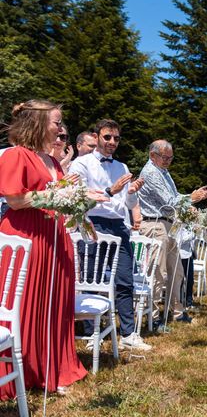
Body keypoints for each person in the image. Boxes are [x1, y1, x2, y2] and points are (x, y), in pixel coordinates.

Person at [0, 100, 88, 399]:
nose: (61, 128)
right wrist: (57, 193)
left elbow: (59, 195)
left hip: (54, 235)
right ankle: (21, 371)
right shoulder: (16, 155)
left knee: (54, 303)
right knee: (27, 302)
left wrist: (82, 197)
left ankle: (50, 367)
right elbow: (14, 199)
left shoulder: (50, 160)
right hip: (28, 236)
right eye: (56, 122)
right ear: (37, 124)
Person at [69, 119, 151, 351]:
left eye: (116, 138)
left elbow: (126, 202)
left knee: (125, 279)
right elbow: (77, 199)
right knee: (91, 279)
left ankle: (128, 333)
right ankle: (90, 333)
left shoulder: (122, 168)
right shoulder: (81, 164)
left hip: (118, 225)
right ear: (96, 137)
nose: (112, 142)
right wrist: (109, 190)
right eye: (107, 137)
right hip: (92, 223)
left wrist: (132, 193)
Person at [137, 139, 207, 324]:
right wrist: (191, 198)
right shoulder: (150, 172)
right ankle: (152, 317)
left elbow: (176, 198)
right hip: (155, 225)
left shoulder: (164, 172)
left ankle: (177, 313)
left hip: (168, 225)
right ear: (152, 155)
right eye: (165, 157)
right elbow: (169, 201)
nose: (168, 161)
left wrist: (191, 197)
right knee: (158, 272)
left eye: (171, 158)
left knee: (177, 271)